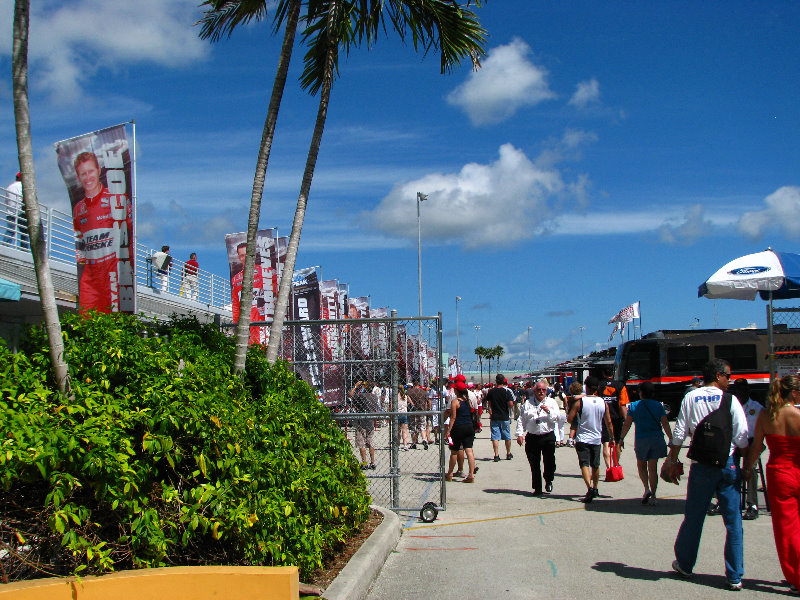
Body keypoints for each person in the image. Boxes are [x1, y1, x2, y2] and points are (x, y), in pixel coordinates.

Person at [663, 359, 748, 591]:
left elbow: (680, 431)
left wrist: (672, 460)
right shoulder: (731, 400)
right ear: (718, 376)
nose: (730, 381)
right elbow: (741, 435)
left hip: (701, 465)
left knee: (694, 517)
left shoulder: (691, 396)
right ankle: (734, 576)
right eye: (728, 376)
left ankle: (685, 564)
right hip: (726, 463)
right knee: (733, 521)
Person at [743, 374, 800, 594]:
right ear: (793, 393)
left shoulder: (766, 416)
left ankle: (795, 575)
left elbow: (756, 447)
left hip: (780, 474)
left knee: (786, 528)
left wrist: (748, 469)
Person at [72, 152, 133, 313]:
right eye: (83, 173)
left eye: (90, 171)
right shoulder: (78, 209)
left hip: (113, 268)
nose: (87, 177)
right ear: (78, 177)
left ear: (99, 170)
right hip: (90, 274)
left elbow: (129, 234)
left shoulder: (116, 198)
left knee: (116, 320)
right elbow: (79, 242)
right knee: (87, 322)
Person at [618, 381, 672, 505]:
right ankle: (654, 496)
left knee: (641, 465)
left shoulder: (634, 406)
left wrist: (621, 438)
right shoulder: (658, 405)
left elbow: (627, 424)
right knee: (653, 468)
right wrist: (671, 438)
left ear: (641, 393)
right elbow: (665, 423)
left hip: (642, 439)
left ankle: (646, 488)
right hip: (656, 438)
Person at [568, 376, 614, 503]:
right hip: (596, 437)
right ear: (597, 388)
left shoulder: (580, 402)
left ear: (586, 387)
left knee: (584, 463)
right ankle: (595, 487)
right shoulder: (602, 402)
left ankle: (589, 488)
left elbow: (569, 418)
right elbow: (608, 421)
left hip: (583, 437)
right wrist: (612, 436)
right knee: (595, 464)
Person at [516, 379, 560, 495]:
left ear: (547, 391)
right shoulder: (528, 403)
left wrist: (549, 411)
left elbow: (557, 418)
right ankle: (537, 487)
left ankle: (549, 480)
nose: (541, 392)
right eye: (539, 390)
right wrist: (520, 434)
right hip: (532, 437)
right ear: (534, 391)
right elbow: (521, 420)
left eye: (543, 390)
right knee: (534, 463)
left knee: (549, 462)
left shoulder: (551, 402)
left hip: (547, 436)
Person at [730, 378, 763, 520]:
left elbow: (760, 432)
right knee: (726, 466)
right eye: (737, 390)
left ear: (748, 391)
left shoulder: (756, 408)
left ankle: (752, 504)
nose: (740, 393)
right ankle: (727, 500)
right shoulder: (730, 406)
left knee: (751, 468)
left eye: (742, 390)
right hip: (735, 443)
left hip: (752, 443)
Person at [597, 370, 630, 473]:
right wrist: (625, 419)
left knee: (606, 442)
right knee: (617, 441)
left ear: (603, 374)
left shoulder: (599, 385)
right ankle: (616, 463)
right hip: (617, 418)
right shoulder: (620, 385)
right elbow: (623, 404)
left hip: (603, 418)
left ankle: (608, 467)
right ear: (613, 373)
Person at [444, 384, 476, 483]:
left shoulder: (455, 402)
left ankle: (449, 473)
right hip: (469, 427)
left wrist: (448, 430)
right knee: (469, 451)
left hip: (458, 427)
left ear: (457, 391)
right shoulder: (468, 401)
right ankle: (471, 475)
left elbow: (453, 417)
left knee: (454, 451)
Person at [486, 374, 515, 461]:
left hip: (495, 416)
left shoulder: (491, 391)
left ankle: (496, 454)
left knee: (495, 437)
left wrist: (491, 412)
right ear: (503, 381)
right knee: (507, 435)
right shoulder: (507, 391)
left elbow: (489, 404)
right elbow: (510, 404)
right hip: (504, 416)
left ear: (496, 381)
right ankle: (508, 453)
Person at [349, 381, 377, 470]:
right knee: (370, 441)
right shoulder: (374, 397)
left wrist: (355, 386)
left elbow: (350, 395)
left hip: (361, 420)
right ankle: (372, 462)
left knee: (361, 442)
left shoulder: (361, 396)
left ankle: (364, 463)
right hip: (370, 420)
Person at [4, 172, 28, 249]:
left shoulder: (9, 187)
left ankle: (4, 246)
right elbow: (25, 198)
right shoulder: (23, 186)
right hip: (20, 212)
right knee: (24, 232)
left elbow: (7, 200)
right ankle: (24, 250)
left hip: (10, 212)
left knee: (10, 231)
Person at [407, 382, 429, 450]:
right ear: (419, 385)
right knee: (422, 426)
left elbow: (408, 399)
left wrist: (412, 404)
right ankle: (424, 439)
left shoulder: (410, 392)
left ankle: (414, 443)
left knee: (412, 427)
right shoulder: (424, 392)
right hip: (421, 410)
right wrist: (426, 410)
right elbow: (425, 403)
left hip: (413, 411)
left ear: (413, 385)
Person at [397, 384, 410, 451]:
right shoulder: (405, 396)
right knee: (404, 431)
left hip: (398, 414)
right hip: (404, 414)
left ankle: (398, 445)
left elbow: (391, 406)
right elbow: (411, 402)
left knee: (398, 431)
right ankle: (405, 445)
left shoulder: (396, 396)